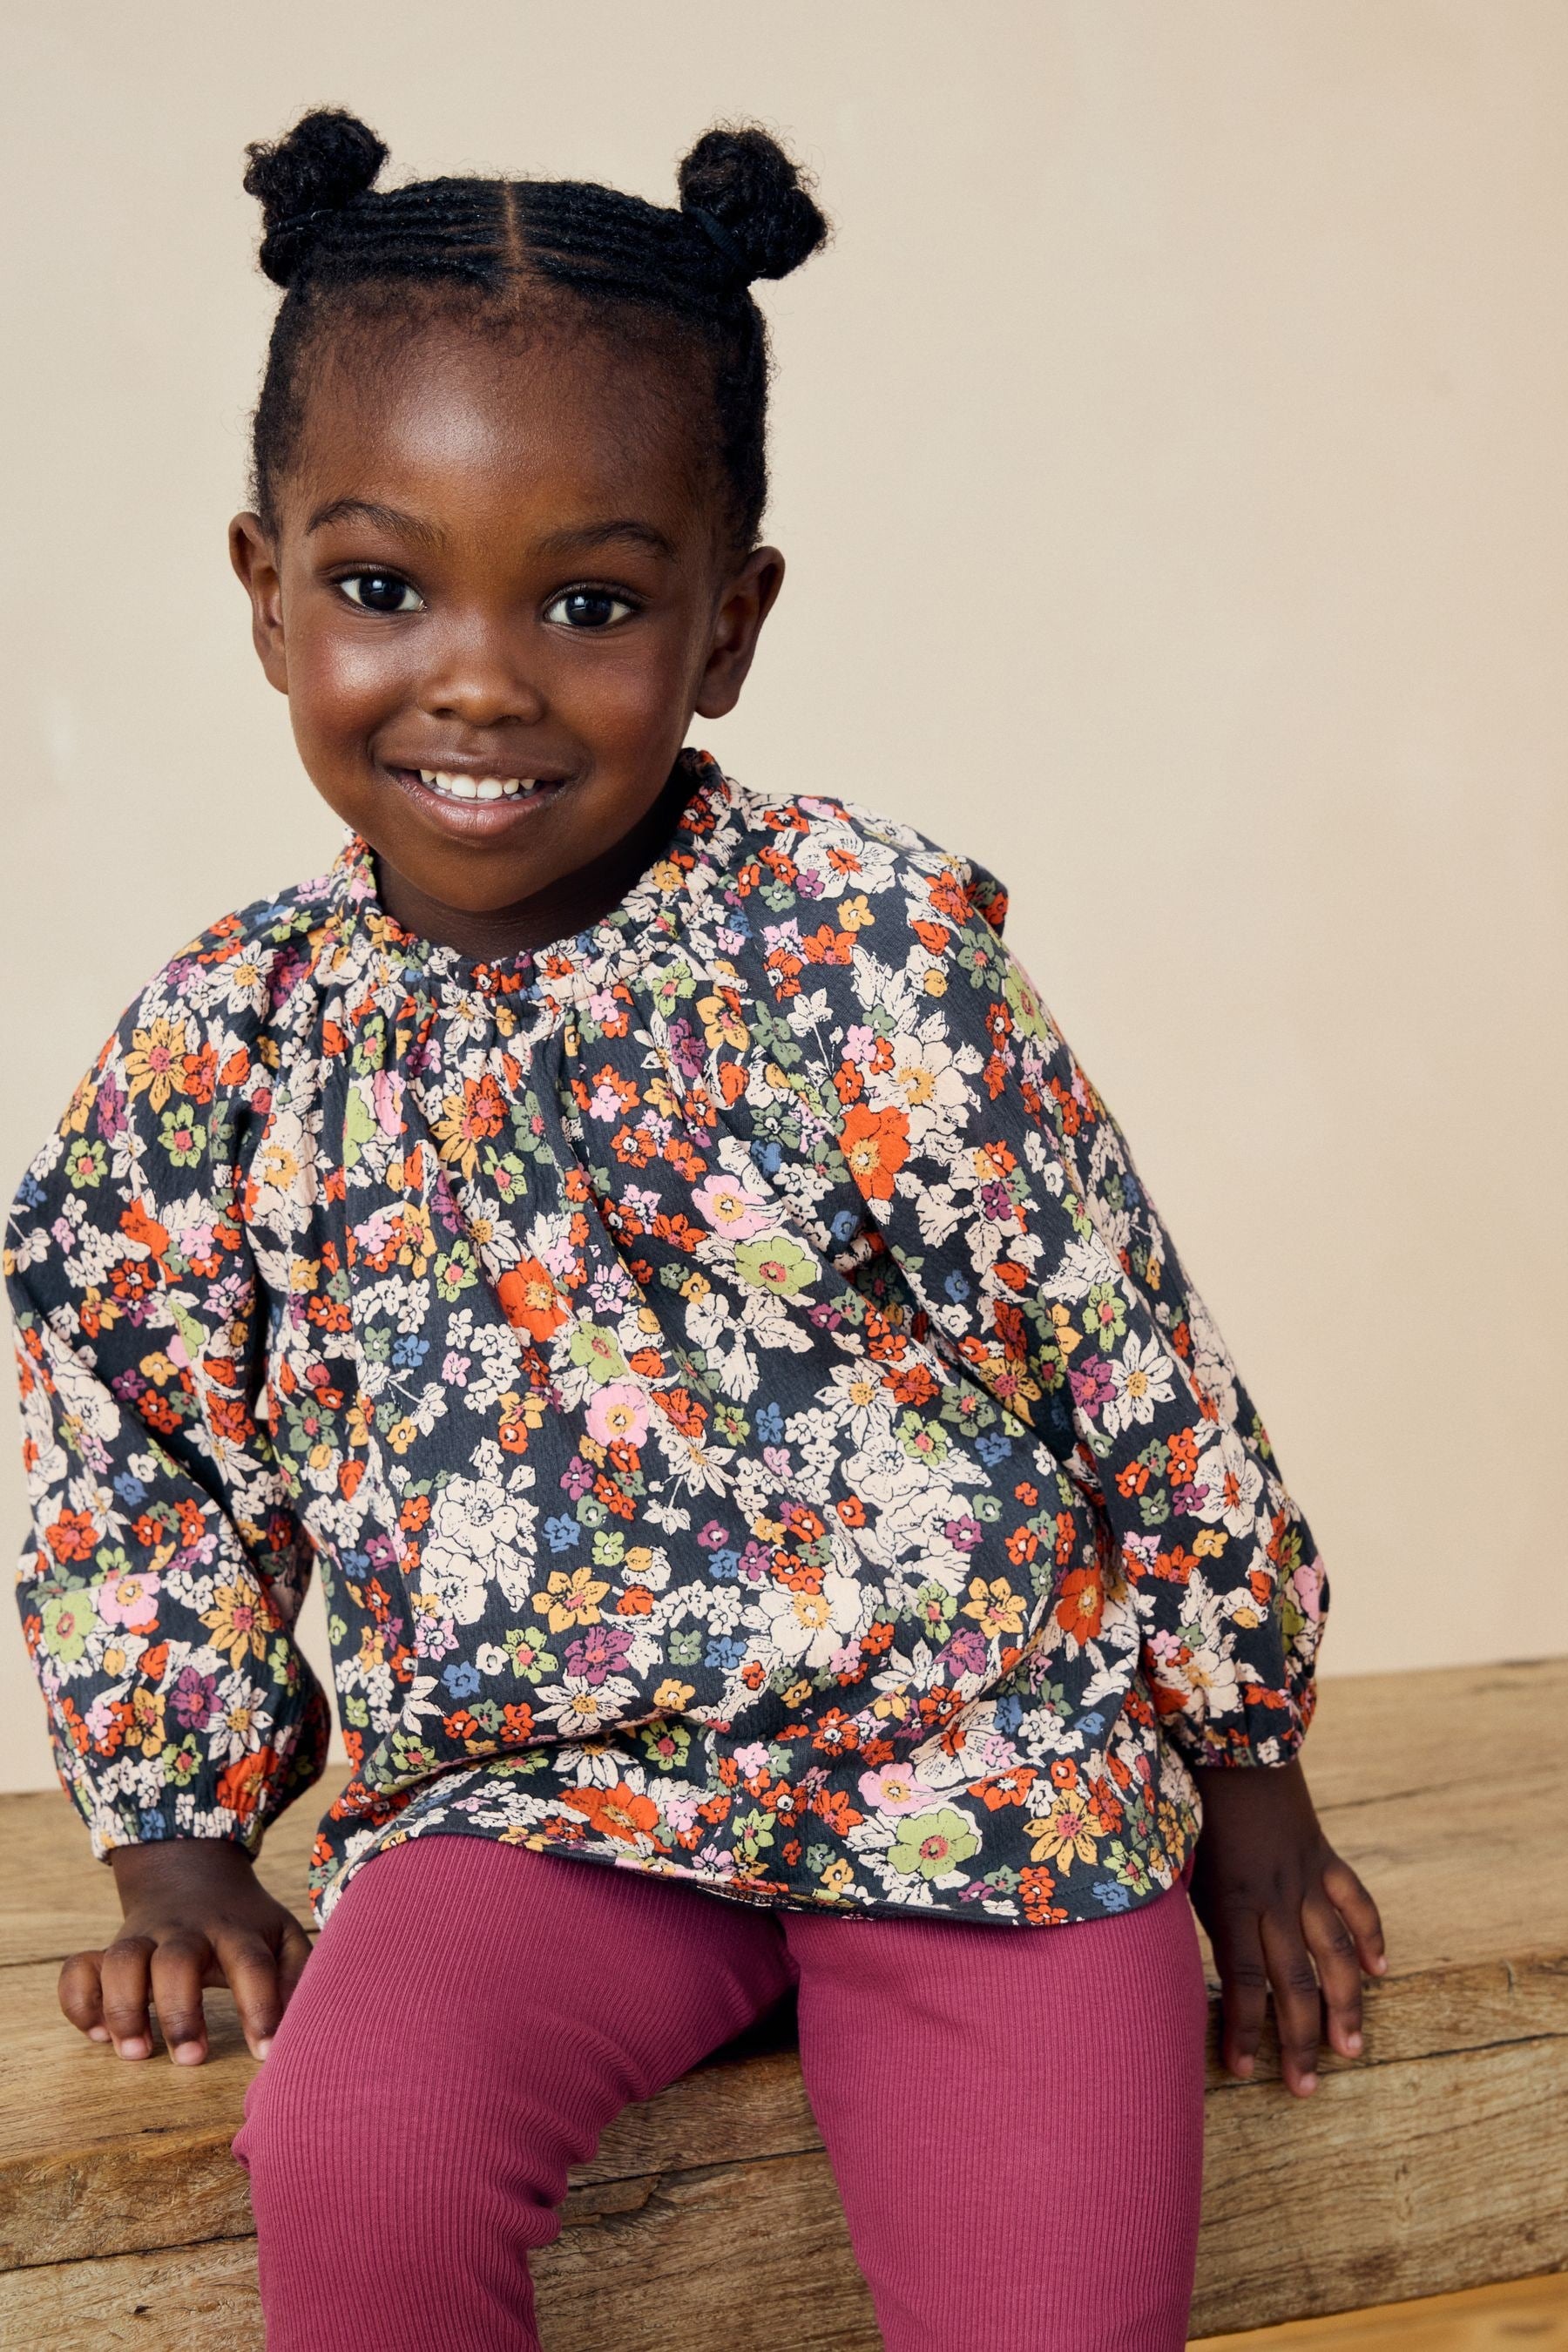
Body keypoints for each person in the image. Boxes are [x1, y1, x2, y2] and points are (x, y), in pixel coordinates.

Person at [5, 107, 1385, 2352]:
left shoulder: (866, 956)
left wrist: (1248, 1782)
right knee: (349, 2149)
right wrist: (174, 1838)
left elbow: (1117, 1346)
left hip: (976, 1771)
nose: (479, 676)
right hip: (529, 1804)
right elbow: (131, 1414)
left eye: (590, 600)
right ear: (264, 594)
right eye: (383, 586)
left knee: (1051, 2287)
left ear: (726, 623)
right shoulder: (222, 1042)